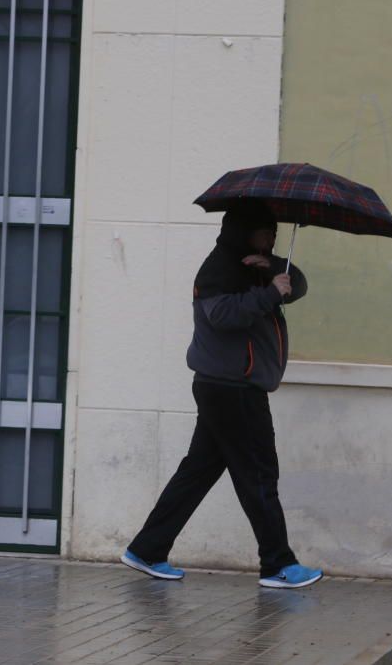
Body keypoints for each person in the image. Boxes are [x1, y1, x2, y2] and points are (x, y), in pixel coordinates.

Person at [121, 201, 323, 589]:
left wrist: (280, 271)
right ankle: (278, 564)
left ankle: (147, 549)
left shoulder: (256, 264)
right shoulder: (219, 268)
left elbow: (297, 287)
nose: (272, 237)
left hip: (230, 386)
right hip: (232, 389)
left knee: (198, 472)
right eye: (266, 231)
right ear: (244, 230)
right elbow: (222, 315)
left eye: (275, 232)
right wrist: (269, 294)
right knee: (259, 474)